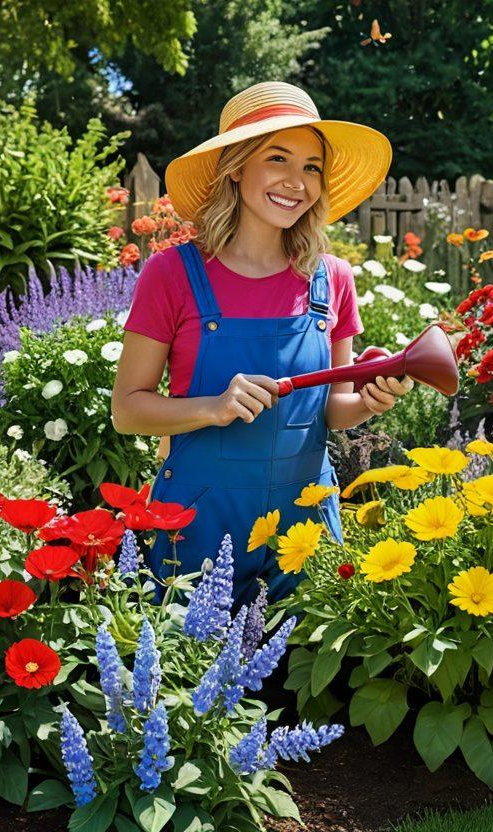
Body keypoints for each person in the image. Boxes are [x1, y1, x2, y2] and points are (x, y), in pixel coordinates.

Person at [111, 81, 413, 605]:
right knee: (189, 673)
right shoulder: (172, 274)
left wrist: (366, 401)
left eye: (312, 166)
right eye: (278, 158)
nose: (297, 182)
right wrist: (213, 407)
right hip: (198, 514)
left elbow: (329, 411)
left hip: (307, 520)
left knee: (305, 678)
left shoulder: (331, 278)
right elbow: (127, 411)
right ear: (236, 166)